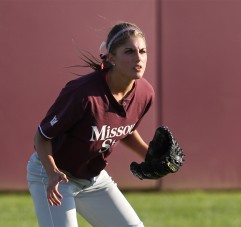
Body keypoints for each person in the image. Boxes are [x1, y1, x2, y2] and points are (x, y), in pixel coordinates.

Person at [27, 21, 155, 227]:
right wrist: (52, 173)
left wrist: (149, 156)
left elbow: (124, 129)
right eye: (129, 52)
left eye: (142, 51)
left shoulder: (145, 93)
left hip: (93, 179)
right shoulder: (83, 93)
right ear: (111, 57)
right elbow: (42, 137)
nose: (138, 58)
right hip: (54, 176)